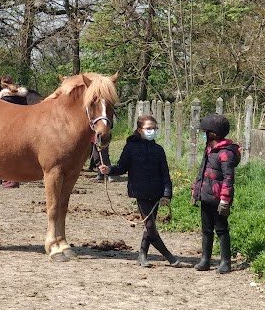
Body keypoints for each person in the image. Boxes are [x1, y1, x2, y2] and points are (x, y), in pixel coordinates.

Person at [99, 115, 187, 268]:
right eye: (148, 128)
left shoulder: (159, 150)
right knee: (151, 226)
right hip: (140, 192)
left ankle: (142, 255)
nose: (152, 131)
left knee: (149, 226)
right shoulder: (130, 148)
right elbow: (121, 167)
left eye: (154, 128)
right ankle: (170, 257)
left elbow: (165, 174)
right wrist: (109, 170)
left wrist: (167, 194)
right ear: (140, 130)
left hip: (156, 192)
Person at [191, 113, 241, 274]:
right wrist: (196, 190)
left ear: (212, 133)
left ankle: (225, 262)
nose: (204, 134)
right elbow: (202, 171)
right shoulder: (209, 149)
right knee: (206, 229)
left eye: (205, 132)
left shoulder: (226, 153)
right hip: (206, 196)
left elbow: (228, 179)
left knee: (221, 229)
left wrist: (225, 200)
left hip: (219, 199)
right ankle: (205, 260)